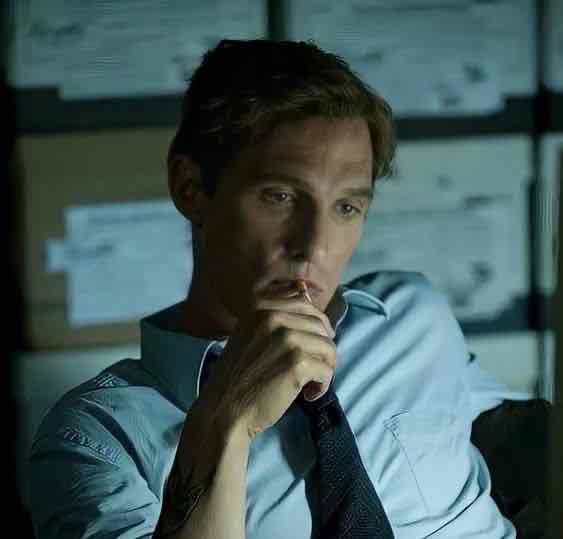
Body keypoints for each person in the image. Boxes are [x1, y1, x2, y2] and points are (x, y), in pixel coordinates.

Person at [26, 39, 529, 538]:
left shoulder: (410, 315)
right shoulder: (95, 437)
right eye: (281, 196)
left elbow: (511, 428)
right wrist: (227, 419)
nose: (314, 245)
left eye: (347, 207)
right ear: (191, 189)